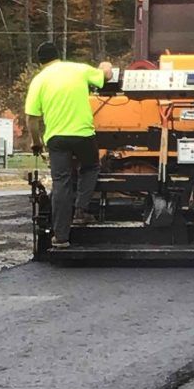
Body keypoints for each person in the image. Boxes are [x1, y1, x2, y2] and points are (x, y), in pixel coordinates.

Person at [25, 42, 113, 248]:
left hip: (56, 139)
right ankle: (81, 210)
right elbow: (105, 76)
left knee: (61, 183)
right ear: (59, 55)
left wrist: (36, 143)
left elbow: (32, 118)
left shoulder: (38, 80)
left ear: (40, 62)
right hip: (83, 135)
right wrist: (105, 65)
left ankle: (61, 237)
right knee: (91, 167)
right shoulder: (78, 69)